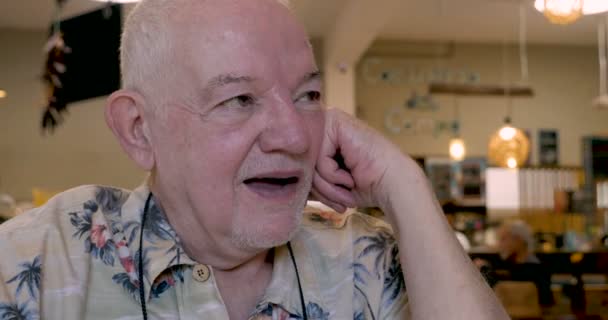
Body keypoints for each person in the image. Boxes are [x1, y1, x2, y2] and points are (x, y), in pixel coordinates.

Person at [0, 0, 508, 319]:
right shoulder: (41, 260)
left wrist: (405, 183)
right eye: (239, 100)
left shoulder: (365, 258)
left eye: (308, 96)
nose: (293, 135)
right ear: (139, 129)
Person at [477, 220, 554, 307]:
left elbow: (506, 287)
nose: (499, 245)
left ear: (518, 240)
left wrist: (485, 268)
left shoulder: (536, 269)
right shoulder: (510, 264)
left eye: (503, 239)